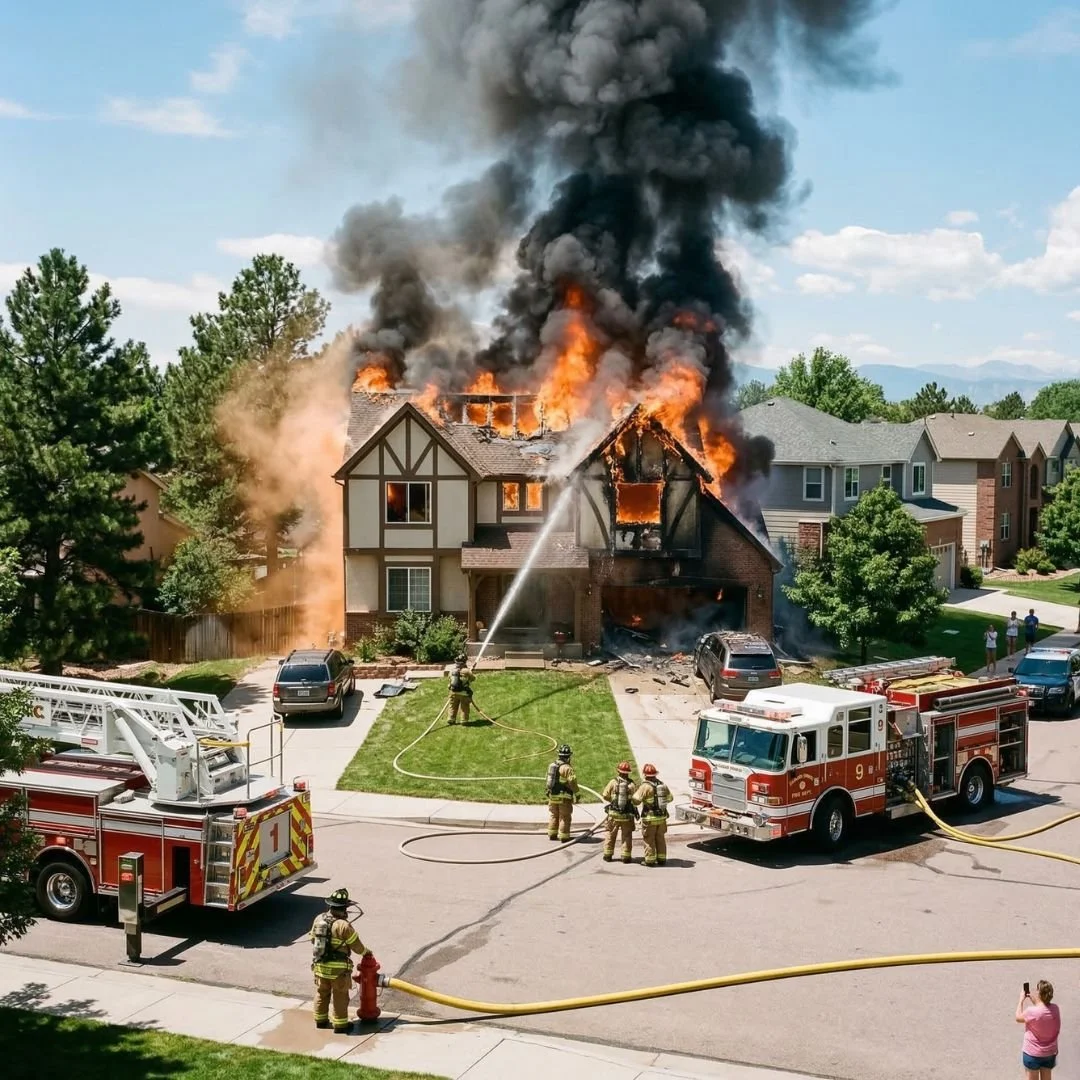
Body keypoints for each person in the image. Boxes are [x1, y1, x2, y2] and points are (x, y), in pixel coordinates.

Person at [310, 887, 370, 1033]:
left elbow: (313, 939)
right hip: (338, 971)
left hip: (320, 967)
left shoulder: (319, 919)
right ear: (343, 909)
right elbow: (356, 946)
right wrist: (367, 953)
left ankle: (320, 1020)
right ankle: (341, 1025)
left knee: (321, 993)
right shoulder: (343, 926)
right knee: (340, 996)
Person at [1016, 979, 1060, 1077]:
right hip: (1049, 1053)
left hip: (1032, 1054)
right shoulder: (1055, 1009)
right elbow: (1042, 1011)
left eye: (1037, 989)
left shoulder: (1031, 1011)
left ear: (1039, 994)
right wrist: (1036, 1001)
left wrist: (1021, 1000)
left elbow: (1018, 1017)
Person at [634, 763, 671, 867]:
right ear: (655, 774)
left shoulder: (645, 786)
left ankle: (649, 861)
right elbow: (670, 798)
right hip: (662, 818)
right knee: (660, 838)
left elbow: (636, 801)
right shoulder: (662, 785)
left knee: (649, 839)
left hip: (649, 819)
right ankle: (662, 859)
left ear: (645, 775)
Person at [601, 761, 637, 863]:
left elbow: (605, 795)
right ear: (628, 772)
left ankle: (607, 855)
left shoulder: (613, 782)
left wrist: (613, 802)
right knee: (626, 836)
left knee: (610, 834)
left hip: (613, 815)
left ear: (618, 771)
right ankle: (626, 857)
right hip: (627, 816)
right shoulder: (632, 785)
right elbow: (636, 800)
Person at [545, 743, 579, 842]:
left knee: (554, 815)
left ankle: (552, 834)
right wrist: (577, 793)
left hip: (553, 796)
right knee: (564, 817)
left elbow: (547, 779)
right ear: (568, 757)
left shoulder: (552, 766)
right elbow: (572, 782)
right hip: (564, 797)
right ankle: (564, 837)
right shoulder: (567, 768)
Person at [447, 653, 474, 724]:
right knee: (464, 707)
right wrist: (470, 672)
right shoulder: (467, 671)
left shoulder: (452, 671)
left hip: (453, 692)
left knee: (452, 706)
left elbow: (449, 679)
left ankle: (451, 718)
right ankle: (464, 720)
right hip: (464, 693)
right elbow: (473, 679)